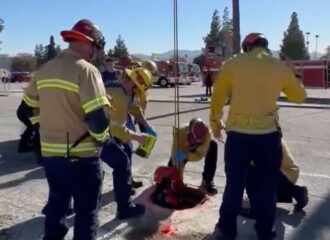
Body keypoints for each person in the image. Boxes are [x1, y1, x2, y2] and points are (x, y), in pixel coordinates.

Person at [208, 32, 306, 240]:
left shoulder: (233, 63)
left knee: (234, 185)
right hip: (268, 138)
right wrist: (295, 75)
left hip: (239, 136)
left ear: (246, 46)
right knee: (266, 188)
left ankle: (226, 231)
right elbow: (299, 96)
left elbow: (217, 94)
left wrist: (216, 122)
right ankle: (265, 232)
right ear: (265, 46)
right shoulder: (278, 66)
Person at [23, 19, 111, 240]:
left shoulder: (44, 69)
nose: (97, 53)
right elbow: (98, 119)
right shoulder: (87, 71)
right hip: (82, 158)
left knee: (57, 206)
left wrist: (40, 129)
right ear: (88, 43)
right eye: (97, 47)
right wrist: (102, 141)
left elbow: (26, 109)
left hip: (52, 158)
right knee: (86, 214)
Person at [101, 67, 152, 219]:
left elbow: (134, 108)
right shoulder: (120, 96)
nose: (136, 95)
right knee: (121, 162)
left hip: (92, 130)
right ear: (133, 85)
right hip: (92, 135)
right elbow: (118, 130)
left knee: (124, 153)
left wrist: (147, 126)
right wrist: (138, 137)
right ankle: (124, 209)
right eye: (137, 91)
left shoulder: (117, 87)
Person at [168, 118, 218, 195]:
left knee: (213, 145)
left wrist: (187, 155)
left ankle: (207, 181)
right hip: (182, 150)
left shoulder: (207, 134)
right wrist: (179, 181)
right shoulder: (180, 133)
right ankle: (172, 179)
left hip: (195, 152)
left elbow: (199, 155)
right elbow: (175, 154)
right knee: (175, 162)